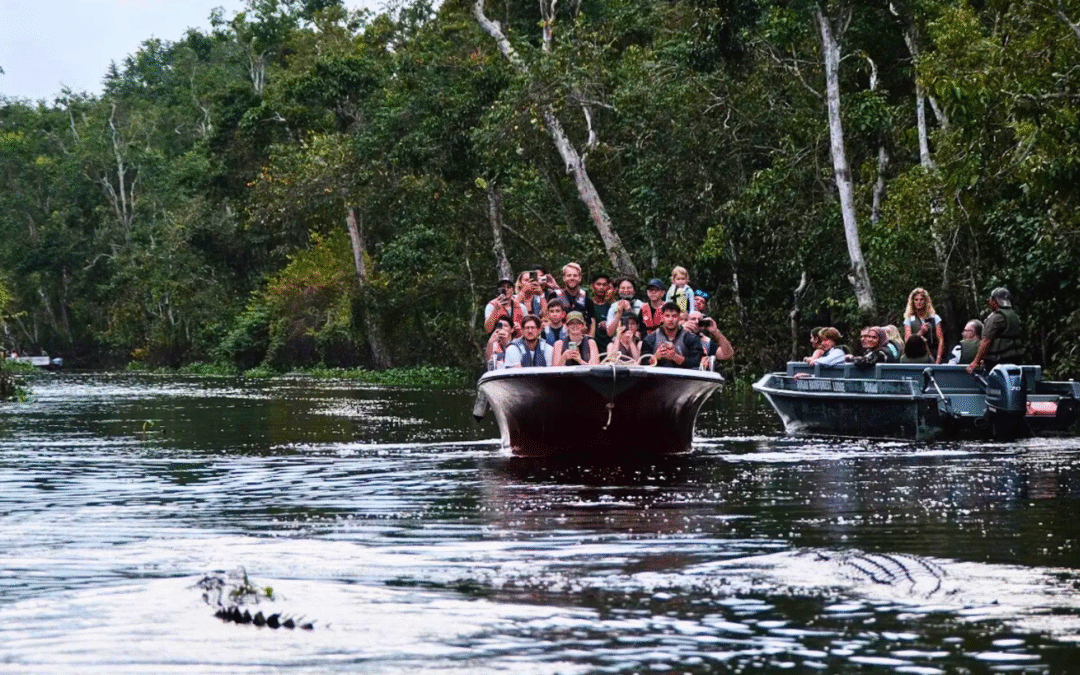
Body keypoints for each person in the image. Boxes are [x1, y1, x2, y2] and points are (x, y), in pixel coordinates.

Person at [967, 287, 1023, 374]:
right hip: (1015, 360)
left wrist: (975, 362)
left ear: (995, 301)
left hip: (998, 362)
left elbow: (986, 341)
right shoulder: (1013, 315)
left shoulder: (996, 318)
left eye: (991, 300)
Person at [640, 302, 704, 369]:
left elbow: (697, 363)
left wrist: (675, 357)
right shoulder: (650, 339)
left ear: (679, 318)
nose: (670, 320)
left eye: (674, 316)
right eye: (667, 316)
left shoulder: (691, 338)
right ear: (662, 318)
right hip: (657, 378)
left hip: (683, 377)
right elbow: (643, 363)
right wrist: (656, 357)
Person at [550, 262, 596, 335]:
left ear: (580, 278)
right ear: (564, 278)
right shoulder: (555, 296)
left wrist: (590, 340)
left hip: (582, 338)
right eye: (569, 275)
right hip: (560, 338)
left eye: (575, 275)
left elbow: (592, 321)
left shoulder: (586, 298)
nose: (572, 278)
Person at [904, 288, 945, 364]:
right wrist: (920, 333)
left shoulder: (935, 318)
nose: (919, 302)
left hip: (933, 352)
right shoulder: (909, 319)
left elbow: (941, 340)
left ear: (925, 301)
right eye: (916, 300)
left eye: (921, 299)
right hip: (916, 355)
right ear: (913, 302)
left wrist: (938, 358)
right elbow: (907, 341)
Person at [589, 273, 614, 353]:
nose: (601, 287)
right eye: (598, 284)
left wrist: (608, 324)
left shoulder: (612, 307)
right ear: (592, 286)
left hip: (608, 348)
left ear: (608, 287)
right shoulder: (587, 304)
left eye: (604, 285)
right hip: (590, 348)